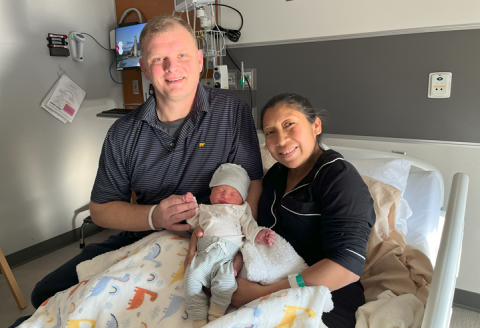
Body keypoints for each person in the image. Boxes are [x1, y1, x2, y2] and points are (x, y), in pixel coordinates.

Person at [9, 14, 263, 328]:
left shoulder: (231, 110)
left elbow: (253, 181)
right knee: (43, 294)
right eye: (159, 59)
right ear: (144, 67)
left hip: (218, 238)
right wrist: (153, 216)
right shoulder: (122, 134)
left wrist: (239, 245)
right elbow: (101, 210)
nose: (172, 67)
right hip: (146, 238)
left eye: (182, 55)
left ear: (200, 61)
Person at [194, 93, 375, 327]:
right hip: (264, 274)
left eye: (289, 124)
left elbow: (346, 267)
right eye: (270, 132)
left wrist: (262, 293)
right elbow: (246, 224)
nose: (280, 140)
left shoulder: (338, 177)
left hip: (326, 292)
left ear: (315, 125)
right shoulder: (276, 176)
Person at [182, 163, 275, 328]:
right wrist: (190, 203)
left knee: (226, 284)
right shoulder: (204, 209)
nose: (226, 195)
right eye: (220, 190)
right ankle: (198, 317)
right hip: (202, 255)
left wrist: (260, 235)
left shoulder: (241, 210)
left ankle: (216, 314)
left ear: (242, 198)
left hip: (227, 258)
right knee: (190, 279)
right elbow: (190, 220)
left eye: (233, 192)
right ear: (210, 192)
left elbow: (250, 227)